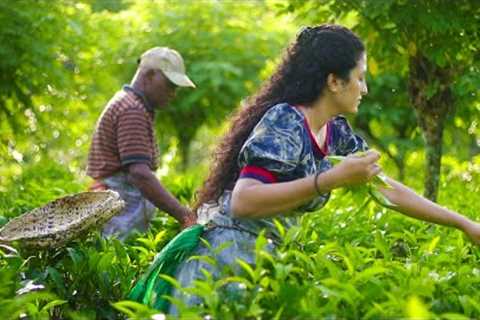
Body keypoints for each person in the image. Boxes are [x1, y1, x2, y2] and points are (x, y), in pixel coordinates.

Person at [166, 25, 480, 314]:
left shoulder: (335, 132)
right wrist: (329, 180)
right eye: (360, 77)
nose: (365, 89)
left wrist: (464, 224)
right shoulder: (284, 121)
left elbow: (388, 189)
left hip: (264, 263)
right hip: (223, 264)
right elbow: (244, 202)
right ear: (333, 81)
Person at [86, 47, 197, 241]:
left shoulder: (129, 104)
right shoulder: (132, 110)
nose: (173, 93)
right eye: (170, 84)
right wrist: (184, 215)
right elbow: (140, 174)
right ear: (150, 75)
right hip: (120, 218)